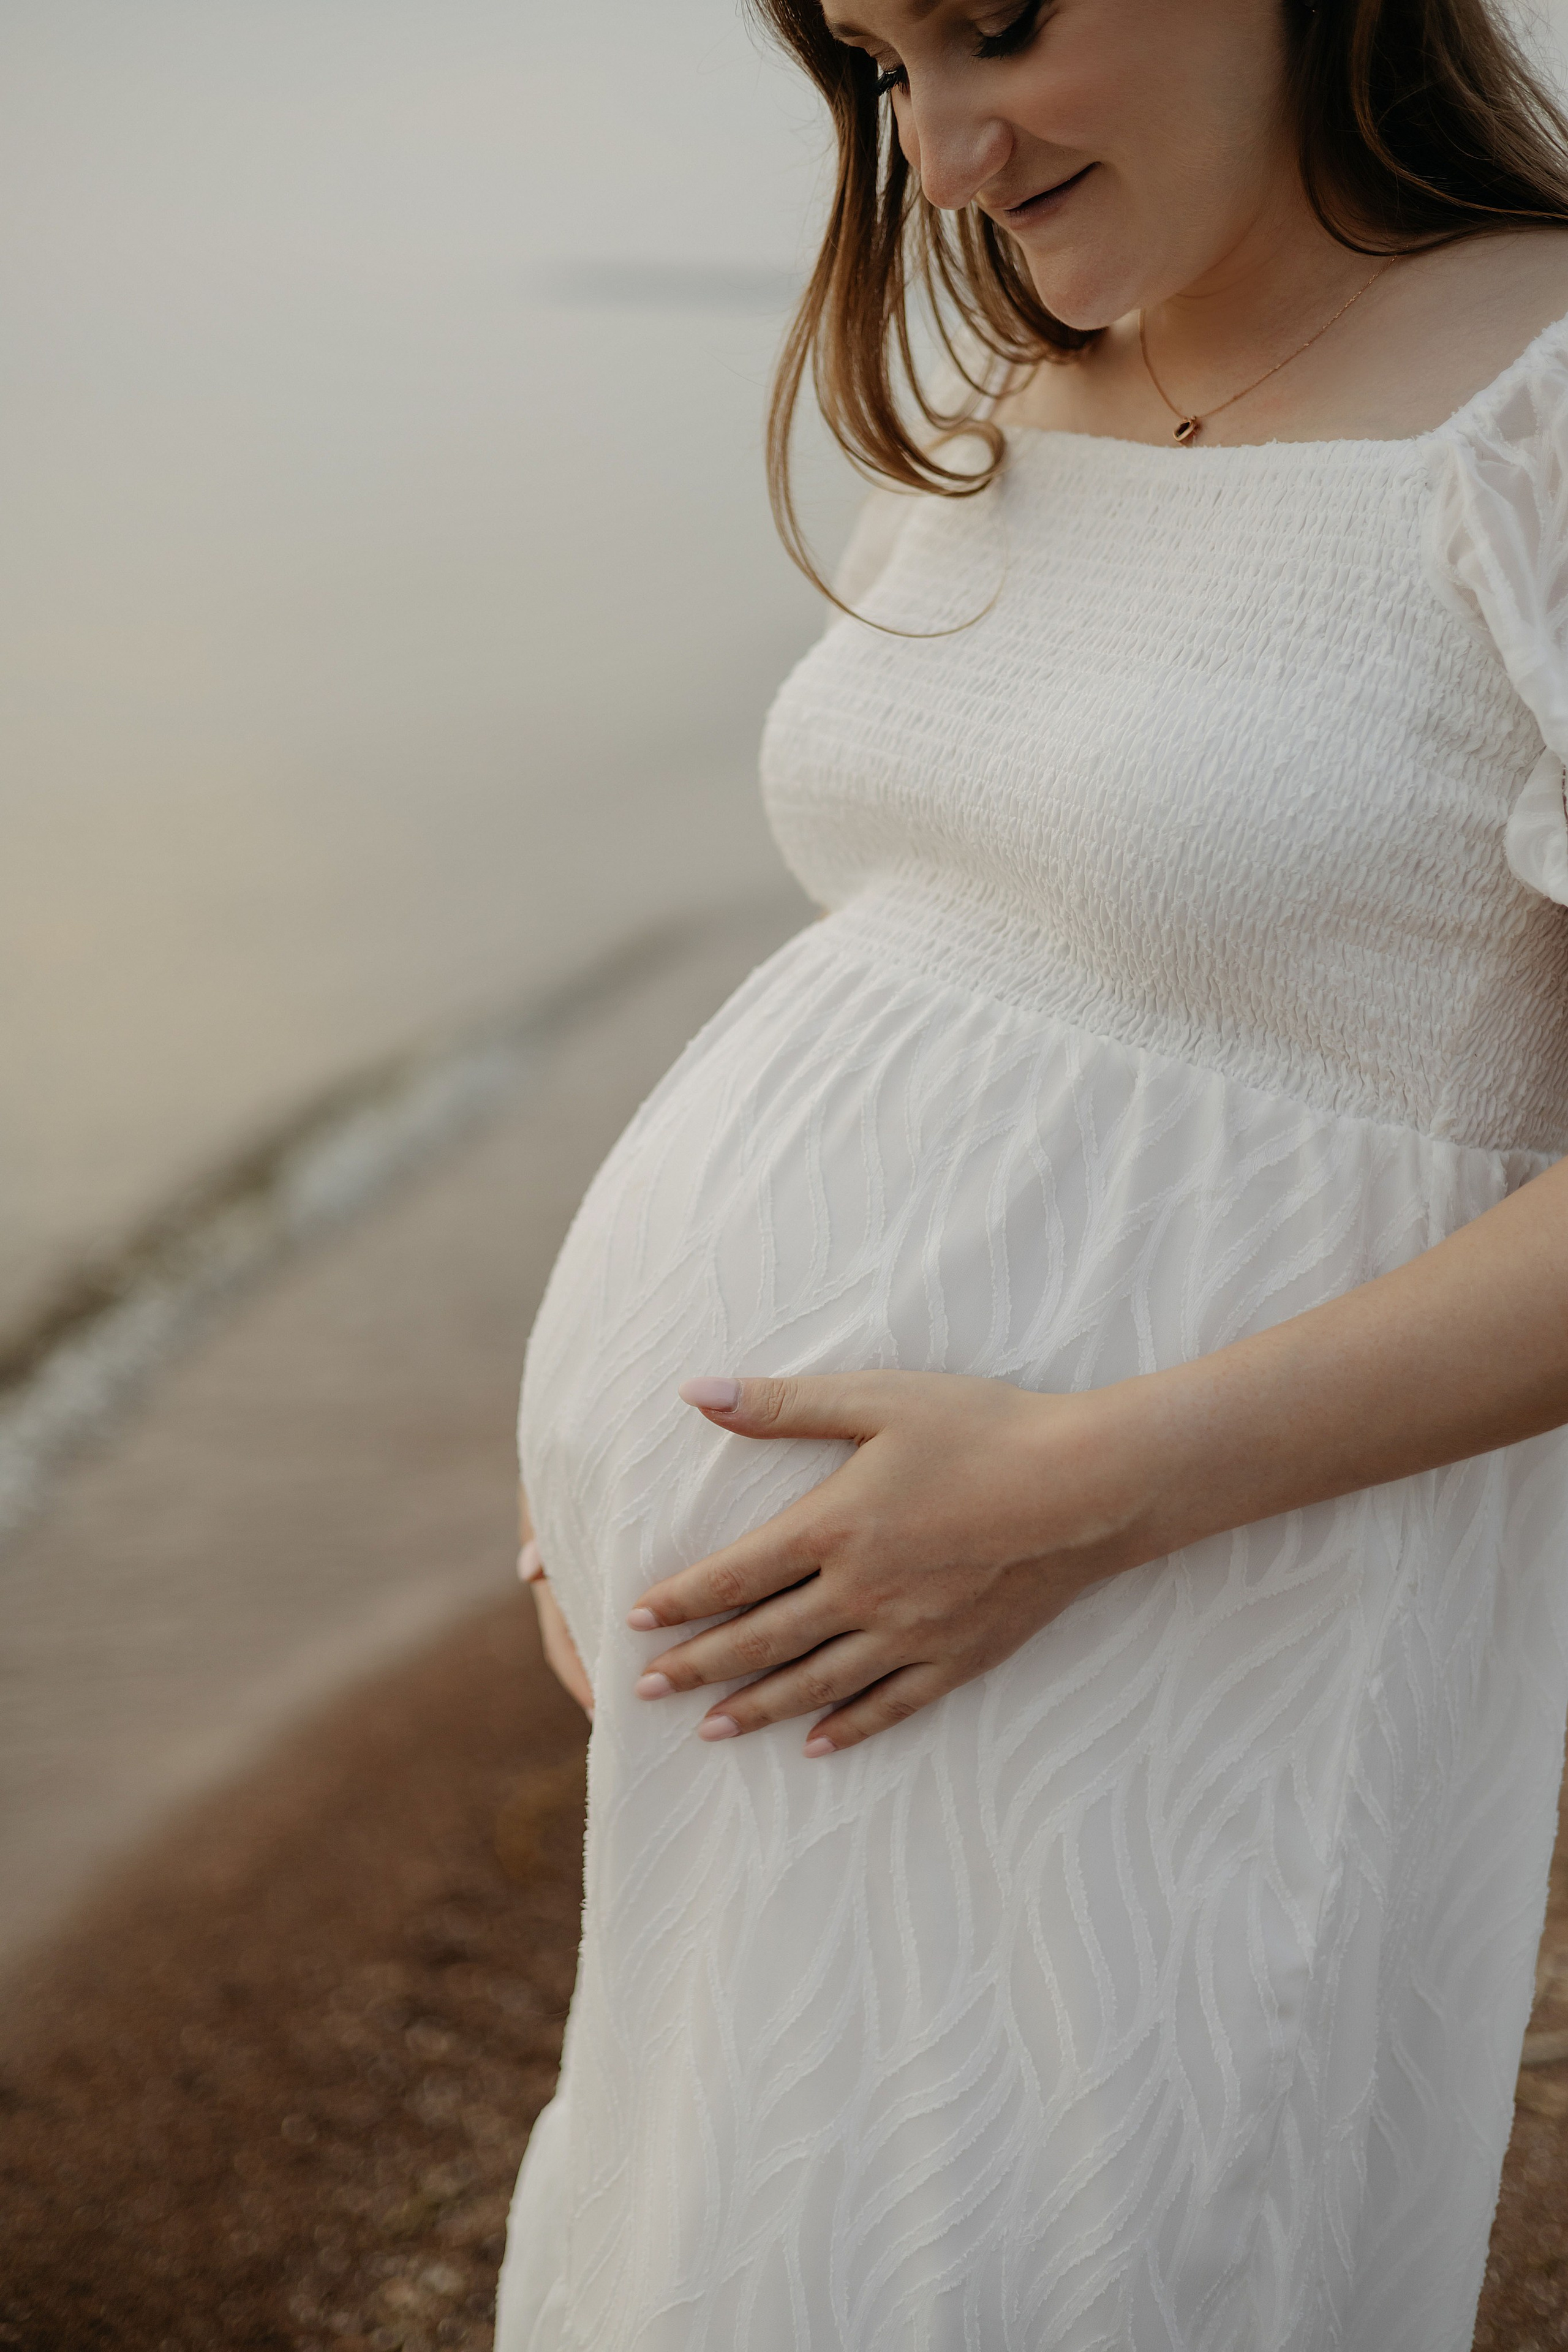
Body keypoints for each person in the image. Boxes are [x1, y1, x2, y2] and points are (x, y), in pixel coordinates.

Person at [494, 0, 1568, 2340]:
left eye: (998, 26)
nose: (944, 150)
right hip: (840, 1643)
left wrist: (1078, 1481)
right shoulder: (1019, 388)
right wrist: (595, 1473)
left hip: (1177, 1607)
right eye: (882, 65)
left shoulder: (1550, 399)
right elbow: (946, 959)